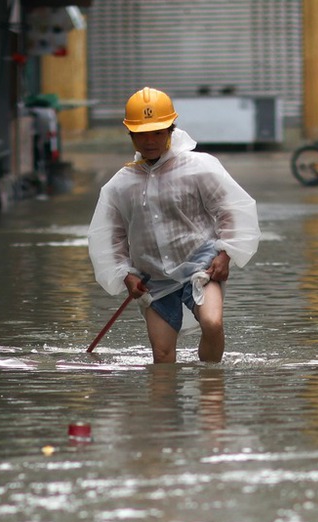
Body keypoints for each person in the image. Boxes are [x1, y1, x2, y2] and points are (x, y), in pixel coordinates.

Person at [89, 87, 261, 365]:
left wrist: (226, 254)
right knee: (163, 355)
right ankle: (166, 407)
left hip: (201, 267)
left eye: (158, 132)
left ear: (171, 130)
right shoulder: (120, 184)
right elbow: (110, 236)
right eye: (142, 134)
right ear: (130, 135)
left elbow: (232, 209)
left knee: (213, 323)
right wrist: (125, 275)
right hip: (152, 278)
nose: (150, 141)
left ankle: (211, 391)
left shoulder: (199, 167)